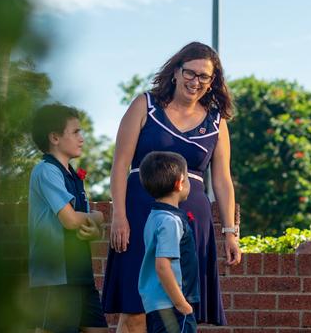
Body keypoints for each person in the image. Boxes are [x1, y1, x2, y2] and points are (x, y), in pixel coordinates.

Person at [102, 41, 241, 333]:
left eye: (205, 77)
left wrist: (230, 232)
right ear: (176, 71)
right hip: (140, 215)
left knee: (180, 311)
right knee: (135, 308)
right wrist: (119, 215)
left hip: (191, 223)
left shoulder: (217, 121)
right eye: (190, 73)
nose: (196, 82)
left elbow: (223, 180)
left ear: (212, 81)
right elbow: (119, 165)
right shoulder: (146, 105)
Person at [28, 104, 109, 333]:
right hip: (56, 277)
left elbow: (87, 225)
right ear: (54, 137)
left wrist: (95, 227)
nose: (82, 138)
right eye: (75, 132)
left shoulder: (73, 175)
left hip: (79, 274)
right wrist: (98, 216)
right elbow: (71, 221)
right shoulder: (46, 171)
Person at [138, 151, 200, 333]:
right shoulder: (170, 221)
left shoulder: (155, 216)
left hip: (158, 305)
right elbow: (162, 266)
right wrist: (182, 304)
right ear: (180, 183)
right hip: (172, 305)